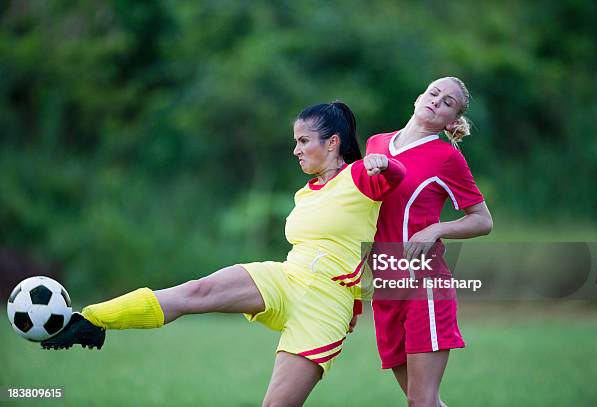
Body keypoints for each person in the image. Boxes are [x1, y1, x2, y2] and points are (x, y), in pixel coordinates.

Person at [42, 102, 406, 407]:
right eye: (294, 141)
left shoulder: (360, 176)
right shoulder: (306, 193)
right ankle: (91, 321)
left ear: (332, 143)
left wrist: (384, 164)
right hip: (285, 278)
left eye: (303, 141)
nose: (295, 149)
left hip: (325, 306)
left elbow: (397, 176)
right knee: (196, 291)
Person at [364, 77, 493, 407]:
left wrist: (436, 230)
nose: (437, 101)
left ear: (452, 121)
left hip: (425, 287)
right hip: (386, 287)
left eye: (448, 102)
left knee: (421, 401)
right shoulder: (376, 144)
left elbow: (482, 220)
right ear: (419, 97)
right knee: (421, 401)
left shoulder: (446, 157)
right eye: (434, 93)